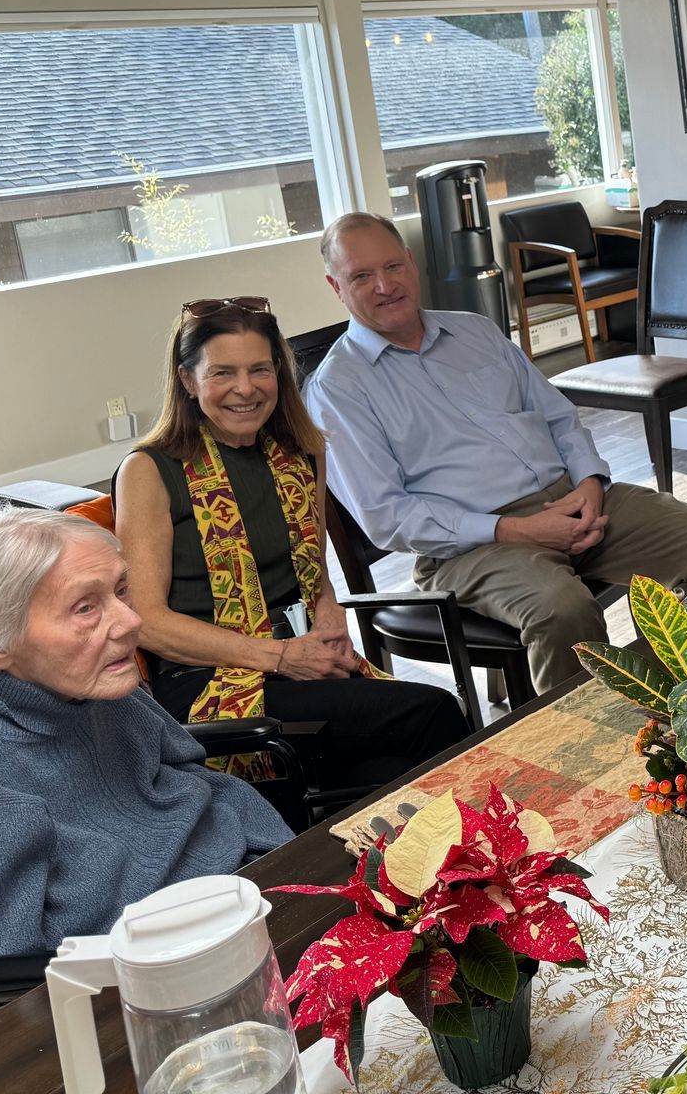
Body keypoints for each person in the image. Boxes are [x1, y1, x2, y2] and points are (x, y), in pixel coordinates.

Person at [304, 213, 687, 695]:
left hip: (569, 498)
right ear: (335, 286)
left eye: (393, 267)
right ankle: (590, 748)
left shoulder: (475, 332)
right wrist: (516, 530)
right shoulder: (337, 388)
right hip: (469, 546)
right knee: (563, 610)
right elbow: (386, 517)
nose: (384, 286)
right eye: (361, 276)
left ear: (412, 263)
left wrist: (589, 485)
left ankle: (665, 696)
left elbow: (558, 417)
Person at [0, 504, 291, 1037]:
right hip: (151, 999)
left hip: (247, 903)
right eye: (85, 607)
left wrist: (274, 866)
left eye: (120, 591)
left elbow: (193, 781)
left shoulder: (95, 682)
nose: (130, 622)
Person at [115, 297, 469, 791]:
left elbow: (313, 575)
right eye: (222, 373)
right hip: (210, 684)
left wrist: (329, 624)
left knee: (389, 772)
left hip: (298, 667)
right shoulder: (150, 469)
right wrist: (280, 657)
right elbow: (146, 621)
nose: (245, 388)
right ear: (188, 381)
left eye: (260, 369)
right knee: (432, 713)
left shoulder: (301, 452)